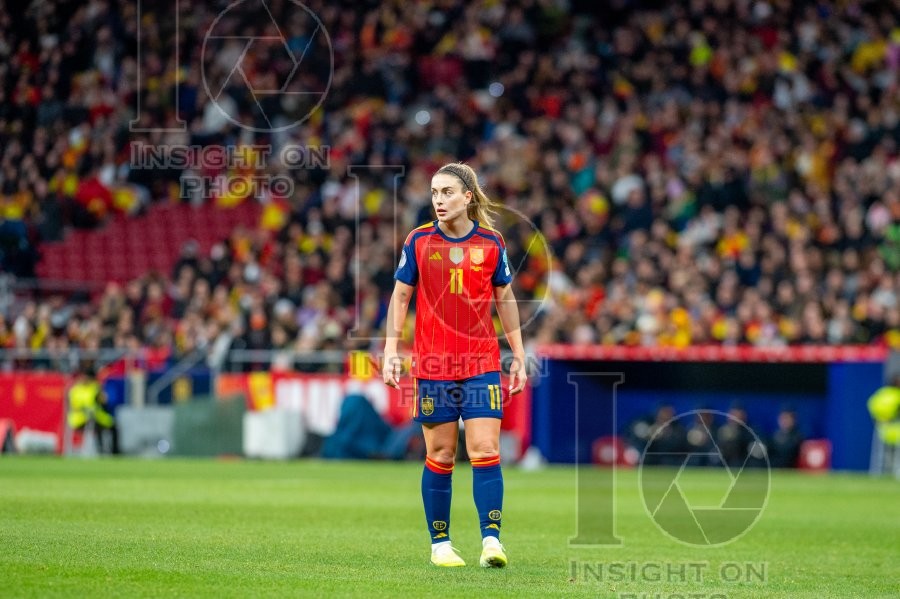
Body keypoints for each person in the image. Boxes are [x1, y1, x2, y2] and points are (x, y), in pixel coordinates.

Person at [383, 163, 527, 568]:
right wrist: (391, 349)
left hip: (481, 362)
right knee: (442, 454)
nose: (439, 200)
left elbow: (505, 299)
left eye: (447, 192)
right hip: (433, 365)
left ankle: (491, 541)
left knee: (485, 449)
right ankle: (440, 545)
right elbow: (400, 296)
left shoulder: (492, 242)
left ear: (467, 197)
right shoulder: (418, 240)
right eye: (434, 193)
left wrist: (518, 354)